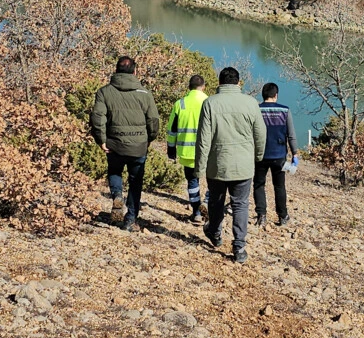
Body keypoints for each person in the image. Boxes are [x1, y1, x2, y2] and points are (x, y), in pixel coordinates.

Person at [197, 67, 265, 263]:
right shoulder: (251, 103)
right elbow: (260, 134)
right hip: (243, 165)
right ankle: (239, 247)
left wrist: (200, 168)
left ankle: (216, 234)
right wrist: (258, 156)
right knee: (240, 204)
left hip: (217, 163)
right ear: (238, 83)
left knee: (216, 201)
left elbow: (204, 139)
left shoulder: (210, 103)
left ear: (219, 83)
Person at [90, 56, 159, 231]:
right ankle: (130, 220)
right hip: (138, 146)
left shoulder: (104, 92)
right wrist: (149, 139)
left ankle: (117, 196)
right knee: (136, 182)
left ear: (116, 70)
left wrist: (101, 139)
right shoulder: (145, 94)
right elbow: (153, 120)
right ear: (135, 71)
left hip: (115, 144)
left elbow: (97, 117)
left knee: (115, 171)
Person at [166, 74, 209, 224]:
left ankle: (196, 212)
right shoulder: (209, 102)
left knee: (192, 181)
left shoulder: (180, 103)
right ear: (203, 87)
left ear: (188, 87)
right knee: (213, 180)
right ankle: (208, 202)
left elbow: (172, 129)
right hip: (208, 151)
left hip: (187, 151)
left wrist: (171, 148)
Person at [254, 82, 298, 227]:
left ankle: (261, 215)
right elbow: (291, 135)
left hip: (260, 154)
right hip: (279, 156)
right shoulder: (285, 111)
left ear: (263, 95)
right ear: (276, 95)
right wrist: (295, 153)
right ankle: (283, 216)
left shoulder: (256, 110)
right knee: (279, 186)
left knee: (259, 184)